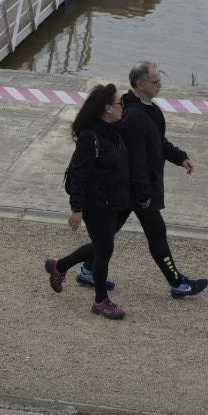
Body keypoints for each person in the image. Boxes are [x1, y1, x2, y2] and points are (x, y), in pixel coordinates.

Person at [92, 60, 208, 299]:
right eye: (156, 82)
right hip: (138, 191)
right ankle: (177, 283)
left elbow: (157, 142)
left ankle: (81, 268)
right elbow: (136, 160)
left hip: (137, 189)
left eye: (160, 80)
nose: (160, 85)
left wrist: (180, 157)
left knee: (107, 234)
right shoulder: (135, 116)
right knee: (156, 233)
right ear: (140, 84)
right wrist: (144, 194)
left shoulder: (148, 108)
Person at [43, 83, 132, 320]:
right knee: (105, 249)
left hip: (115, 202)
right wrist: (77, 209)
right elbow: (79, 175)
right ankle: (100, 301)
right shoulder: (90, 138)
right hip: (96, 205)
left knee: (101, 244)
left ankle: (59, 266)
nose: (124, 106)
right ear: (107, 109)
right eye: (120, 103)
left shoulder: (116, 131)